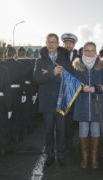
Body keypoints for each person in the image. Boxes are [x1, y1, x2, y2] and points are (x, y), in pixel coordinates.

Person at [33, 33, 70, 168]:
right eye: (49, 42)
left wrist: (47, 74)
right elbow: (37, 79)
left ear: (58, 43)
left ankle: (60, 155)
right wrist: (53, 73)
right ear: (46, 42)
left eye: (54, 42)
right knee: (48, 130)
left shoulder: (65, 60)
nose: (51, 44)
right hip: (46, 101)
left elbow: (68, 78)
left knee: (61, 130)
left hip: (61, 100)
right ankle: (49, 154)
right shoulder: (39, 60)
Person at [72, 42, 103, 169]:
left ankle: (94, 159)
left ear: (96, 52)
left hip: (96, 103)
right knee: (82, 130)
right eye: (87, 50)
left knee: (95, 130)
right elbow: (73, 84)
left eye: (92, 50)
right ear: (83, 52)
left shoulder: (102, 65)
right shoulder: (77, 65)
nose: (89, 53)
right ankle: (84, 158)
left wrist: (96, 88)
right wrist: (82, 88)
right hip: (82, 103)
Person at [61, 33, 79, 152]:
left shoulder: (79, 58)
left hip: (75, 93)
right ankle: (63, 142)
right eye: (66, 42)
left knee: (72, 119)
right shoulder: (58, 57)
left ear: (74, 44)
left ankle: (70, 141)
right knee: (61, 119)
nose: (68, 45)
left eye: (70, 43)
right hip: (61, 93)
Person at [2, 47, 25, 142]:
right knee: (17, 113)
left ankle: (7, 136)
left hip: (4, 92)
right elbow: (21, 79)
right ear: (14, 54)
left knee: (5, 114)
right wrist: (23, 92)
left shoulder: (2, 64)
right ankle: (16, 135)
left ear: (6, 54)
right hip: (16, 91)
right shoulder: (19, 64)